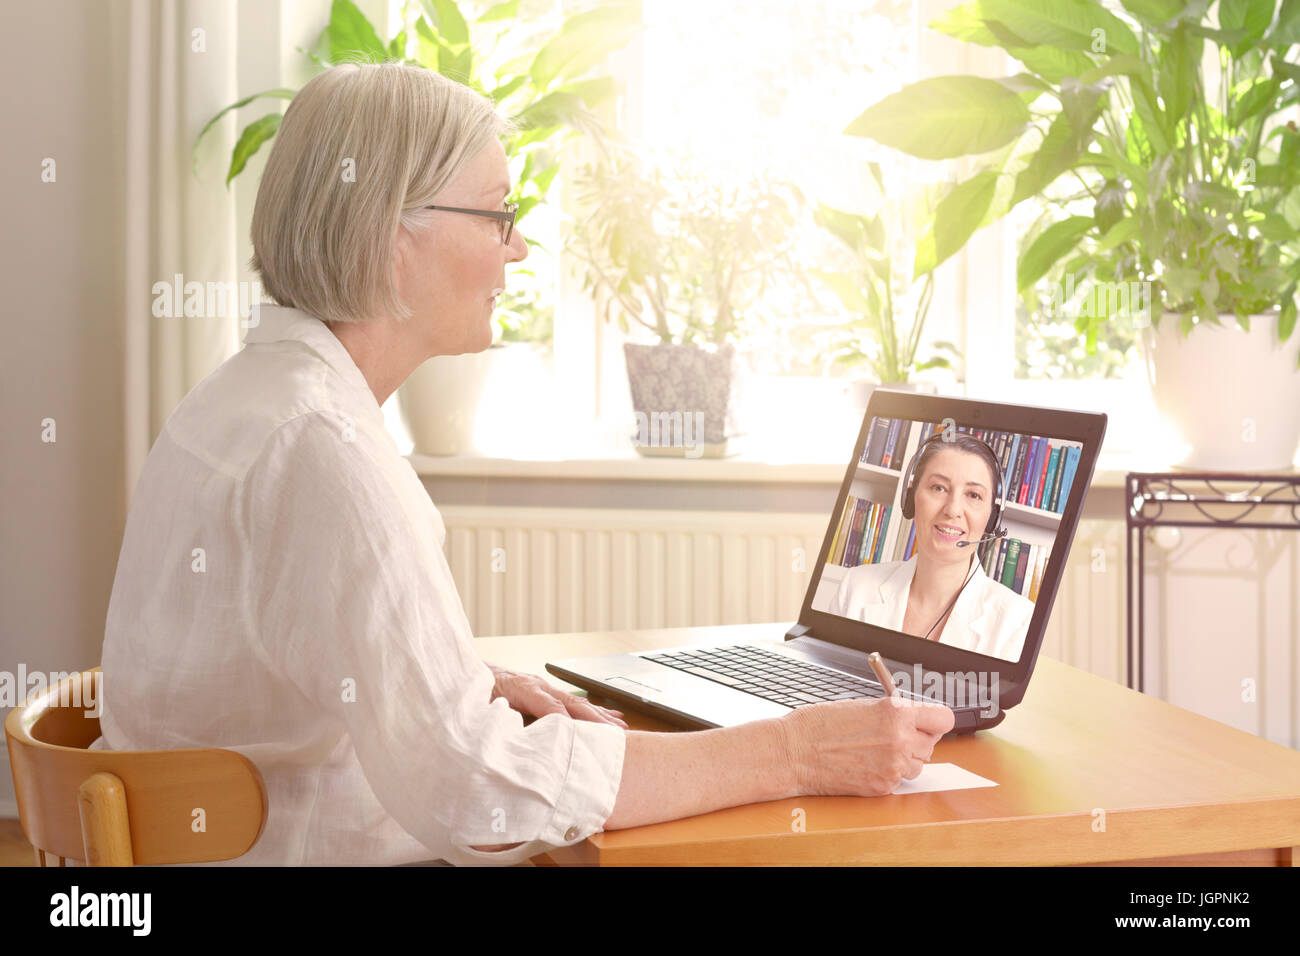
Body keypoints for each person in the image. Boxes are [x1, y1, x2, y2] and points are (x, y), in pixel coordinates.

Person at [96, 62, 954, 866]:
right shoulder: (324, 450)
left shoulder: (242, 401)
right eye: (498, 214)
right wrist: (796, 751)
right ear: (394, 234)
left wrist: (465, 686)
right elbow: (481, 792)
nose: (519, 250)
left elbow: (295, 668)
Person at [828, 434, 1035, 661]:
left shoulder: (1017, 621)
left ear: (992, 518)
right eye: (938, 488)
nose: (953, 509)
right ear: (911, 499)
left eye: (973, 495)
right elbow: (825, 690)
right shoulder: (856, 586)